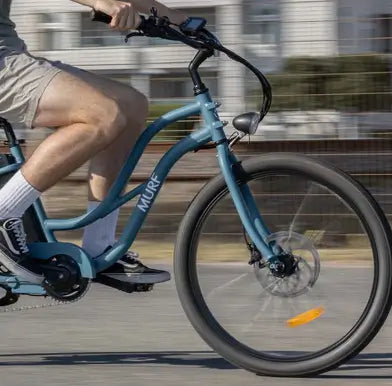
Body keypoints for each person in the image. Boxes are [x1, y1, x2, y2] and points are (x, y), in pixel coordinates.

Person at [0, 0, 187, 285]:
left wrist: (181, 21)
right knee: (103, 114)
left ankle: (99, 246)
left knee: (131, 105)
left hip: (12, 55)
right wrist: (102, 3)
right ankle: (4, 211)